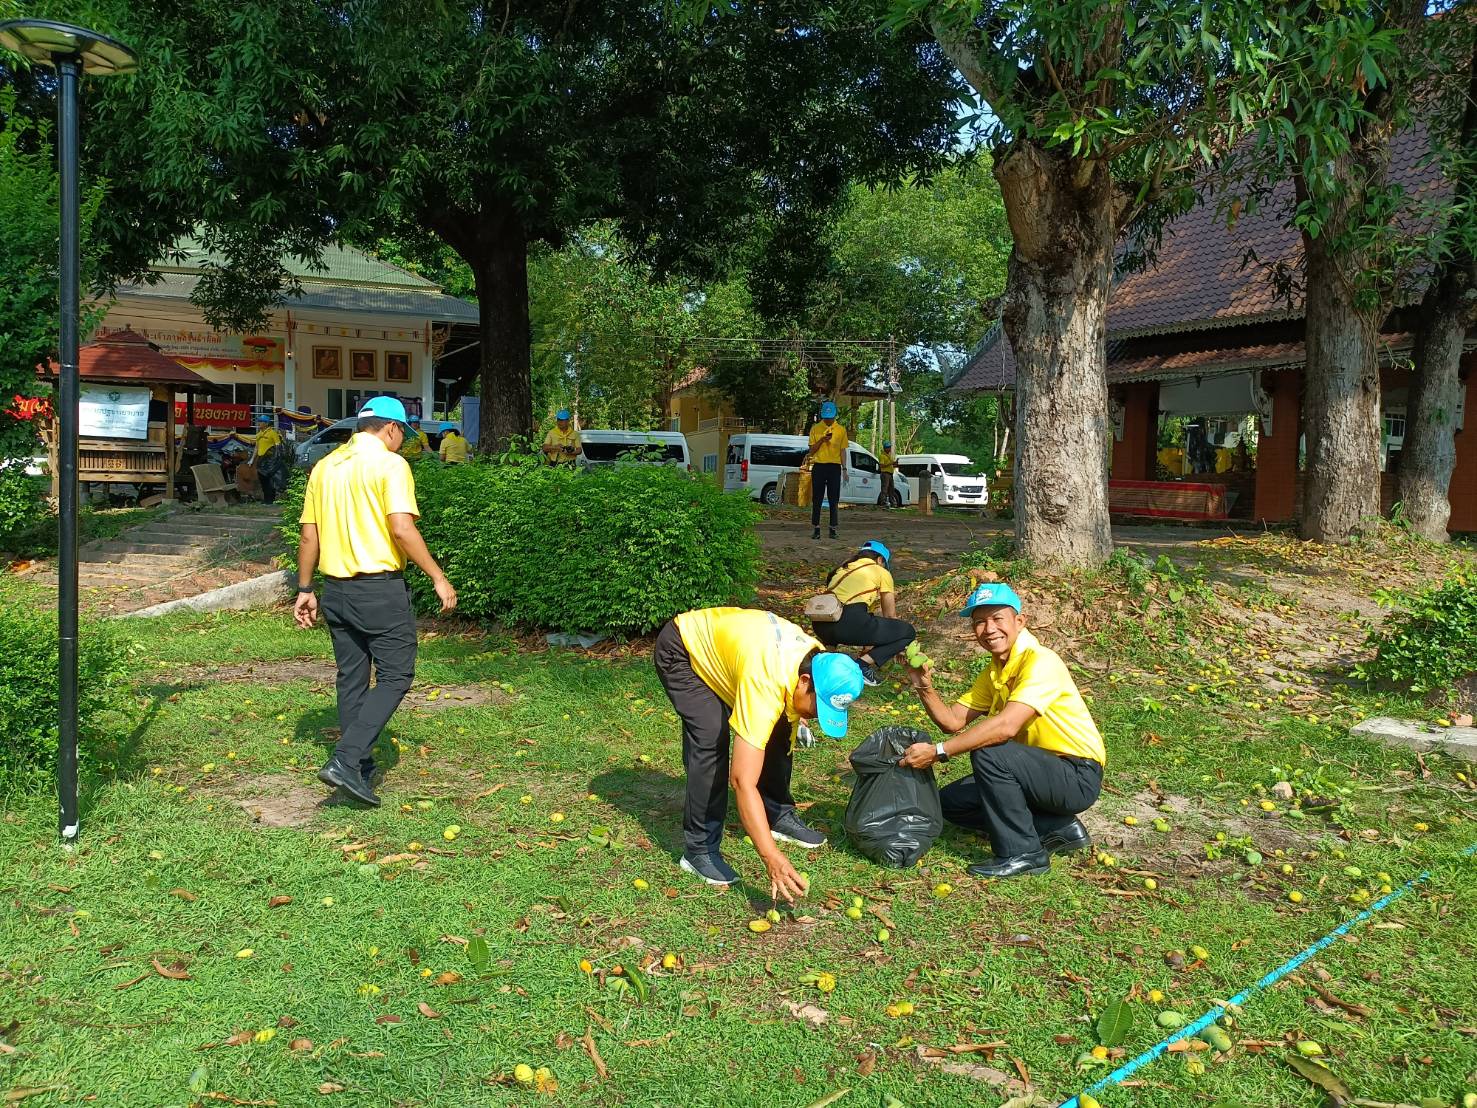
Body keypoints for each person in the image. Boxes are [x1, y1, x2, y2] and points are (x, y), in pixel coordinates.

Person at [294, 396, 458, 807]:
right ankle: (347, 761)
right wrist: (438, 576)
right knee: (396, 676)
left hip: (336, 591)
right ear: (391, 428)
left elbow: (309, 535)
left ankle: (359, 771)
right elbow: (401, 529)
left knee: (352, 678)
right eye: (404, 433)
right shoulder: (390, 464)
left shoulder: (326, 467)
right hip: (380, 591)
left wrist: (305, 588)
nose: (403, 441)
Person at [653, 606, 865, 898]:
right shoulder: (766, 681)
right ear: (805, 682)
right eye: (818, 707)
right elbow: (742, 780)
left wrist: (798, 714)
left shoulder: (815, 657)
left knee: (782, 721)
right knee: (711, 737)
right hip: (683, 651)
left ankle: (776, 813)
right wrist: (771, 858)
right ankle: (699, 849)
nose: (816, 716)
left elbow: (790, 707)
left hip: (737, 655)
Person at [899, 582, 1105, 879]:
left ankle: (1024, 853)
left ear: (1019, 622)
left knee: (991, 750)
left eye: (997, 619)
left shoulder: (1041, 661)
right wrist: (924, 685)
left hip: (1076, 775)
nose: (989, 629)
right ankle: (1057, 827)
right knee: (950, 804)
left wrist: (939, 752)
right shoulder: (995, 669)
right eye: (980, 622)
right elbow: (953, 721)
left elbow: (1006, 726)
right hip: (1035, 769)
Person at [811, 540, 914, 687]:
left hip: (821, 625)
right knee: (907, 632)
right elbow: (890, 616)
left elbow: (862, 616)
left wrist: (870, 643)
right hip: (847, 623)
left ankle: (822, 667)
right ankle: (861, 666)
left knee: (845, 626)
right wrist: (894, 644)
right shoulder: (881, 572)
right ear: (880, 560)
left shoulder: (841, 570)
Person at [805, 400, 848, 540]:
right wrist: (822, 440)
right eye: (826, 417)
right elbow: (811, 450)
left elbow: (843, 451)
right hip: (819, 466)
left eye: (830, 417)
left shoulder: (841, 430)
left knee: (833, 498)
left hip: (834, 467)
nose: (828, 419)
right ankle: (816, 528)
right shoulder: (815, 429)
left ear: (835, 416)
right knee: (817, 498)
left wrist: (845, 468)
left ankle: (833, 528)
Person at [251, 414, 286, 505]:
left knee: (270, 481)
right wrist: (252, 459)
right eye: (259, 421)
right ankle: (266, 499)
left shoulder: (272, 433)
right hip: (261, 460)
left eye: (261, 421)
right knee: (263, 481)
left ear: (266, 423)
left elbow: (278, 447)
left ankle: (270, 500)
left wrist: (276, 459)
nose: (259, 423)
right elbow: (256, 448)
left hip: (270, 460)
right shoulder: (259, 434)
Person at [877, 440, 898, 508]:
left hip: (890, 474)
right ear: (885, 448)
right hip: (885, 474)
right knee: (884, 489)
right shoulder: (882, 456)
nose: (889, 449)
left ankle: (892, 502)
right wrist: (891, 463)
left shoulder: (889, 456)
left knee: (891, 489)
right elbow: (881, 466)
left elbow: (890, 465)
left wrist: (895, 464)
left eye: (890, 447)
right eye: (888, 447)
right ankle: (883, 502)